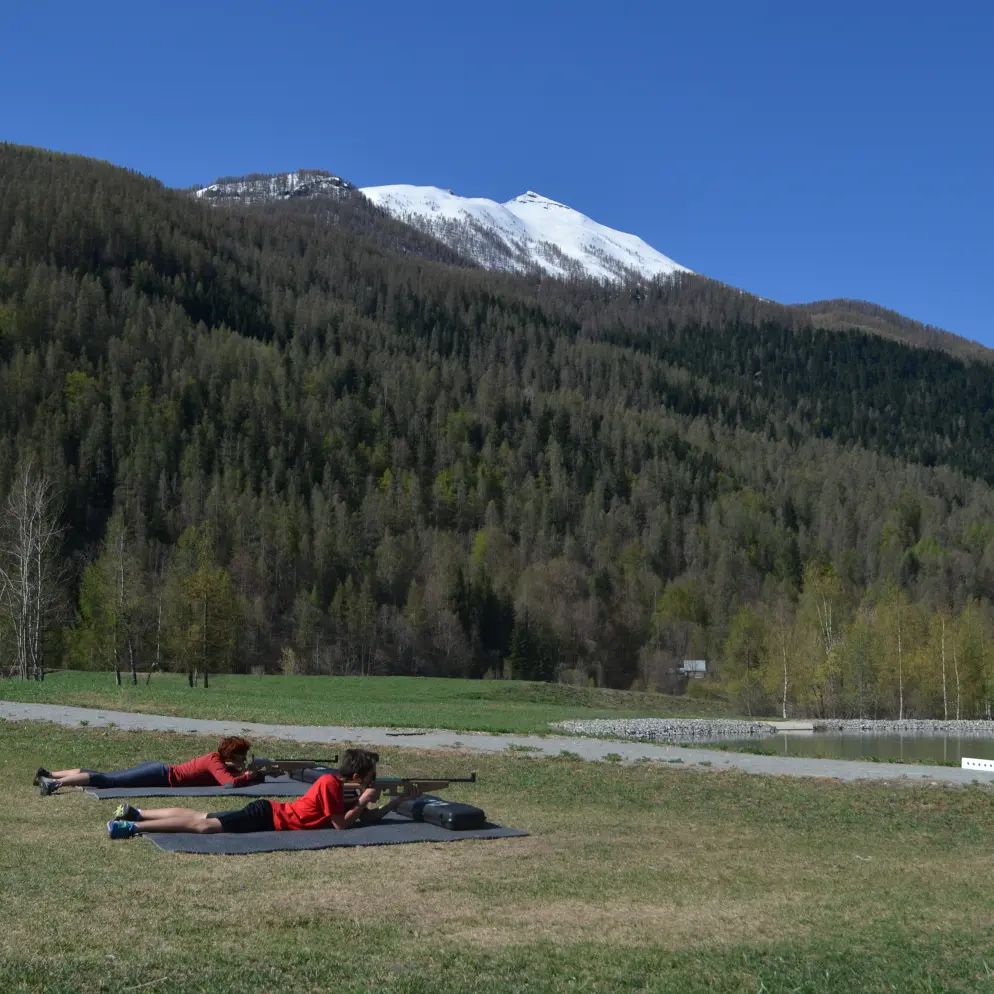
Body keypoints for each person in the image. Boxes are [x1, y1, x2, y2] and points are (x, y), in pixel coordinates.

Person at [105, 748, 415, 838]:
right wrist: (362, 800)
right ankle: (135, 826)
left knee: (203, 817)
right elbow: (341, 824)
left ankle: (138, 813)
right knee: (204, 825)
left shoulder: (342, 788)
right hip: (268, 816)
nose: (373, 781)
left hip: (269, 814)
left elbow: (365, 818)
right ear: (359, 777)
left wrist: (395, 802)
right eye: (371, 777)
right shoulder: (330, 785)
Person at [35, 736, 263, 795]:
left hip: (158, 771)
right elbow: (229, 784)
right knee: (109, 781)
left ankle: (50, 774)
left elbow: (228, 774)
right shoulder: (215, 761)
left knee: (105, 775)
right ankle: (54, 782)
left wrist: (251, 773)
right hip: (160, 774)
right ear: (232, 754)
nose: (244, 761)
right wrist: (249, 777)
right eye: (242, 756)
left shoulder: (218, 762)